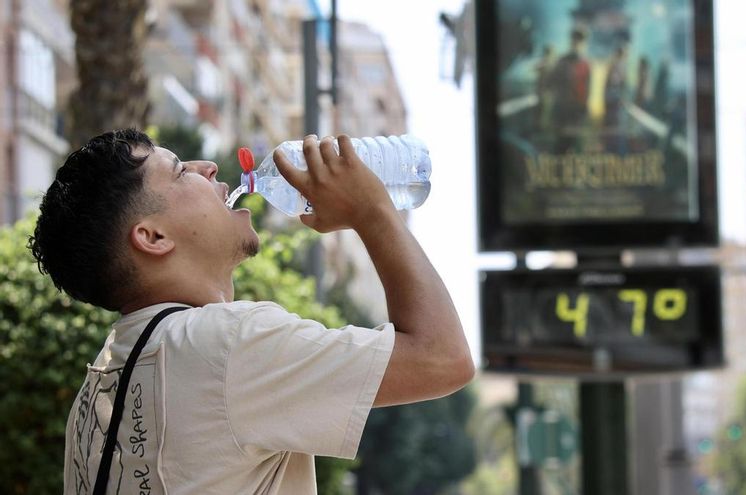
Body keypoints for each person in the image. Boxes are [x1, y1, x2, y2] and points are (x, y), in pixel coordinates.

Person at [28, 129, 474, 494]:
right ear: (153, 237)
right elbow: (443, 358)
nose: (209, 168)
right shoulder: (227, 345)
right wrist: (371, 209)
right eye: (181, 171)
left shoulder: (98, 387)